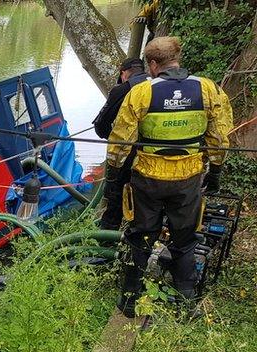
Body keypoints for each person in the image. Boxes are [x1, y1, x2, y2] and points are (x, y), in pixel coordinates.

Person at [105, 36, 233, 317]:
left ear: (152, 64)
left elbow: (120, 141)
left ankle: (129, 301)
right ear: (177, 59)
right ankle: (186, 305)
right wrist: (216, 171)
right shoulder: (208, 89)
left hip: (147, 179)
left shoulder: (141, 93)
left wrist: (114, 175)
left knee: (140, 236)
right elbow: (220, 136)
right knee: (185, 239)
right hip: (188, 178)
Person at [92, 58, 150, 230]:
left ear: (124, 73)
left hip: (127, 155)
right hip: (155, 156)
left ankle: (108, 241)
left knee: (115, 195)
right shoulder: (157, 85)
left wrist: (108, 136)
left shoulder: (123, 89)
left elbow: (101, 124)